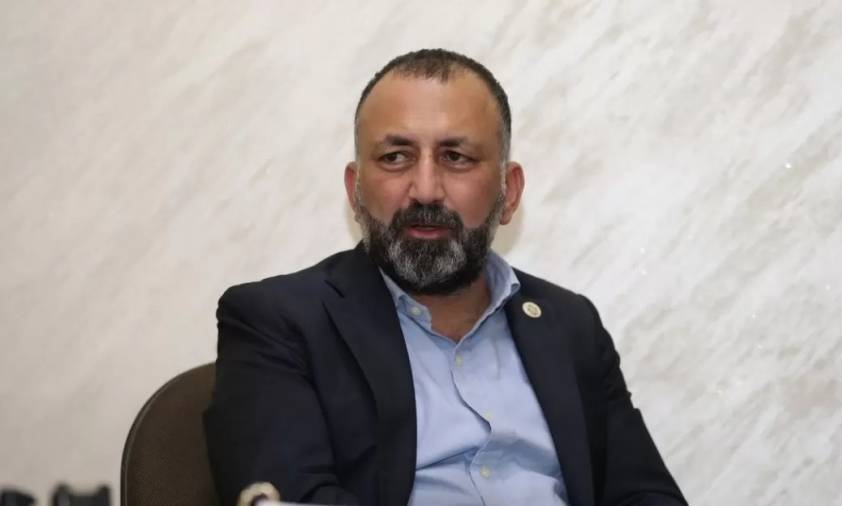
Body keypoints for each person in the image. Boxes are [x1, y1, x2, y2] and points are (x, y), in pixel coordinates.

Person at [204, 48, 686, 506]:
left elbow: (645, 495)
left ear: (509, 192)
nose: (426, 190)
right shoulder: (278, 322)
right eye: (395, 157)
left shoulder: (569, 324)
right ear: (355, 190)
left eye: (456, 157)